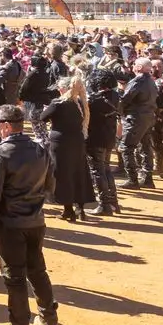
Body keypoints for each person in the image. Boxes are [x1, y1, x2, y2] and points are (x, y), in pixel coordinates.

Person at [0, 104, 59, 325]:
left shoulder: (0, 154)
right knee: (37, 270)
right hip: (35, 220)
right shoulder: (39, 149)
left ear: (4, 126)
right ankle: (49, 321)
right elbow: (50, 185)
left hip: (10, 223)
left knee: (14, 277)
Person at [41, 74, 94, 221]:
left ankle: (68, 210)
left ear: (63, 89)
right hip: (77, 142)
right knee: (79, 173)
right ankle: (80, 209)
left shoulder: (58, 103)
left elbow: (42, 117)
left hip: (61, 143)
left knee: (63, 174)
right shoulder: (80, 103)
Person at [118, 58, 158, 189]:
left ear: (139, 67)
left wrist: (120, 111)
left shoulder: (138, 81)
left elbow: (126, 98)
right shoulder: (151, 81)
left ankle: (132, 180)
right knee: (145, 146)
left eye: (135, 64)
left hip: (136, 118)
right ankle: (147, 178)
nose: (133, 66)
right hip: (148, 117)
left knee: (126, 147)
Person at [86, 71, 121, 215]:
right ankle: (113, 202)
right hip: (109, 137)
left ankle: (104, 205)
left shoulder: (94, 99)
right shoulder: (115, 95)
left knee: (98, 171)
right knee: (106, 169)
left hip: (96, 138)